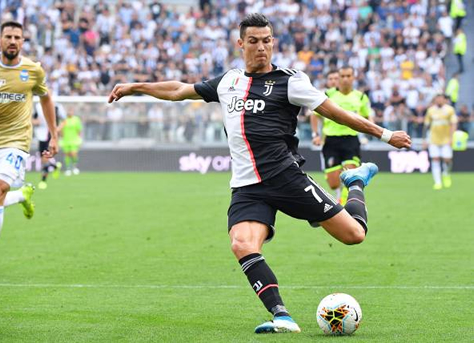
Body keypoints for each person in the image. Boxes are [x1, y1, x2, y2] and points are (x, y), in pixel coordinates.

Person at [108, 14, 411, 334]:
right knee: (242, 244)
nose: (261, 47)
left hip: (286, 178)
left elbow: (336, 112)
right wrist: (134, 87)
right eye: (253, 41)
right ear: (241, 44)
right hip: (246, 187)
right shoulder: (228, 81)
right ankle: (282, 315)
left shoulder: (291, 81)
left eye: (267, 41)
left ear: (273, 43)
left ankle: (356, 181)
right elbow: (179, 90)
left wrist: (385, 135)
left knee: (354, 236)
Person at [0, 21, 58, 276]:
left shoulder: (33, 71)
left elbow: (46, 98)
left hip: (15, 143)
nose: (13, 41)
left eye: (17, 37)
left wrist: (53, 135)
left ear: (23, 42)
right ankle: (21, 196)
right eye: (8, 36)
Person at [310, 66, 373, 203]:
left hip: (351, 140)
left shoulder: (361, 97)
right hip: (331, 141)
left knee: (351, 176)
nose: (345, 79)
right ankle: (341, 196)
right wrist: (315, 134)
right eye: (342, 76)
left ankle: (343, 204)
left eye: (348, 76)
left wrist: (367, 135)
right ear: (338, 78)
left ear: (353, 77)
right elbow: (315, 115)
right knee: (333, 183)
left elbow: (367, 117)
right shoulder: (328, 95)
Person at [422, 94, 457, 190]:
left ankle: (446, 173)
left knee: (447, 160)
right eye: (437, 99)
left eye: (441, 98)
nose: (439, 100)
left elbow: (453, 124)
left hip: (446, 139)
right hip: (433, 140)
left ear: (444, 100)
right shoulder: (431, 110)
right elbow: (426, 125)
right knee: (435, 159)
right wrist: (424, 139)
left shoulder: (450, 110)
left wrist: (451, 138)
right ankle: (437, 182)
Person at [33, 102, 66, 189]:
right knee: (43, 159)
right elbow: (32, 119)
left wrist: (57, 130)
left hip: (50, 135)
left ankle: (43, 181)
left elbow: (64, 120)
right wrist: (35, 122)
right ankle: (55, 166)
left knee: (45, 157)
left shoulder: (57, 106)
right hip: (40, 135)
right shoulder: (37, 106)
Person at [58, 109, 83, 176]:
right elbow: (60, 130)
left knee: (73, 153)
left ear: (73, 112)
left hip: (74, 140)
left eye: (71, 111)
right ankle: (68, 168)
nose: (70, 112)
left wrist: (80, 140)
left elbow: (79, 130)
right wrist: (61, 135)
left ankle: (74, 167)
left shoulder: (76, 119)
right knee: (67, 154)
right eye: (69, 111)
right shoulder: (64, 120)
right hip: (65, 140)